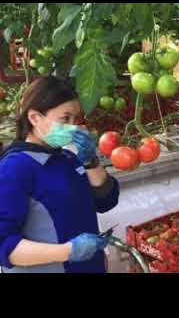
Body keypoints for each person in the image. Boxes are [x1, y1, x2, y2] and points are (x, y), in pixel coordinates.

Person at [0, 76, 119, 273]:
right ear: (35, 118)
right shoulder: (14, 168)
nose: (73, 127)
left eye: (75, 119)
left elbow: (106, 200)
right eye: (65, 118)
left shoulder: (67, 158)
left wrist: (91, 162)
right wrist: (68, 251)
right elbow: (5, 245)